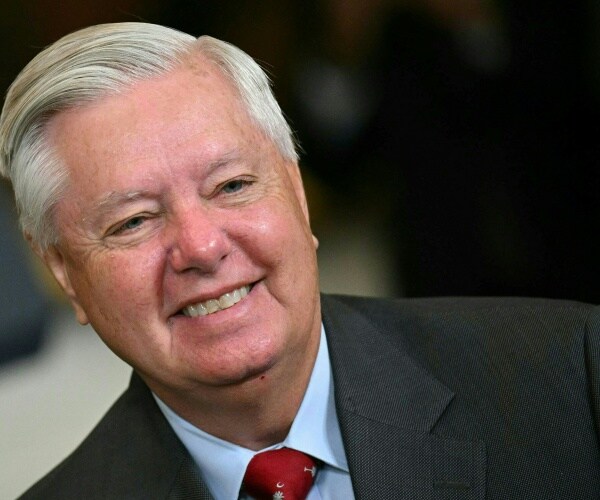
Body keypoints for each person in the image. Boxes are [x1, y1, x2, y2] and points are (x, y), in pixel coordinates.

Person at [0, 22, 598, 500]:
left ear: (297, 193)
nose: (202, 248)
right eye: (133, 221)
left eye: (232, 185)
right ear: (64, 275)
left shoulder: (572, 377)